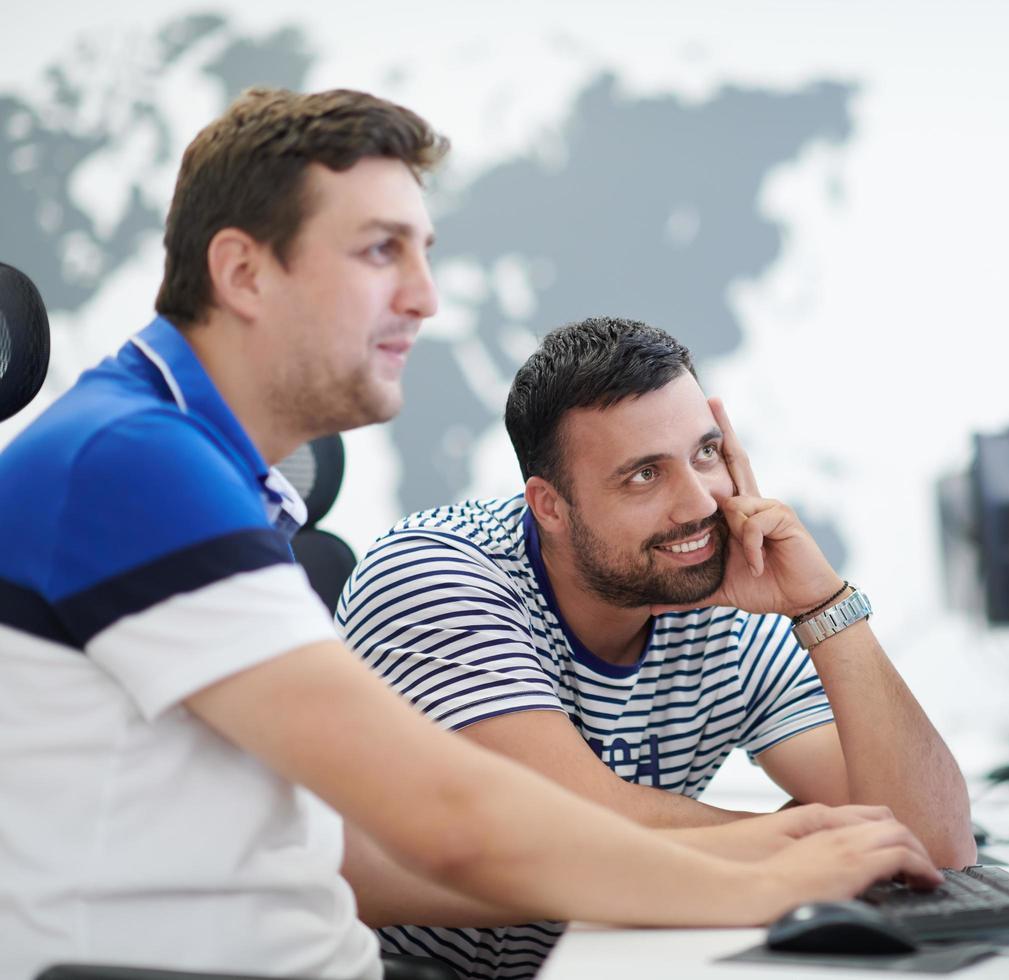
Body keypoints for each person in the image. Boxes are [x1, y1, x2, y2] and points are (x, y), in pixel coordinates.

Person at [0, 89, 940, 980]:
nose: (424, 296)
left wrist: (765, 843)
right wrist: (757, 882)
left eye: (424, 251)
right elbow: (447, 816)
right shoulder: (130, 461)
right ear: (244, 272)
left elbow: (353, 849)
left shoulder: (197, 466)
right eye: (380, 252)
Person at [337, 316, 975, 978]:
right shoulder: (434, 574)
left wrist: (823, 605)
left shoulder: (722, 595)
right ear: (549, 507)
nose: (698, 504)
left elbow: (934, 847)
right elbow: (569, 824)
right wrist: (809, 846)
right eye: (645, 475)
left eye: (706, 454)